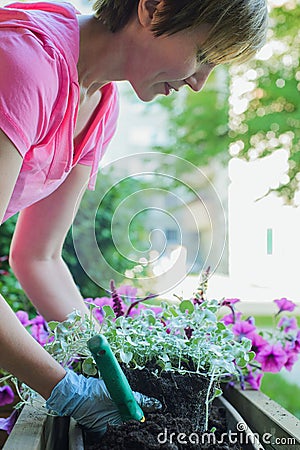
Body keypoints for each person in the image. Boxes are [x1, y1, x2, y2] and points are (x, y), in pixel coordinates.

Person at [0, 0, 268, 435]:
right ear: (153, 9)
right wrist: (66, 389)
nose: (200, 82)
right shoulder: (24, 63)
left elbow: (38, 257)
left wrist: (108, 362)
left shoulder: (100, 105)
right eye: (202, 54)